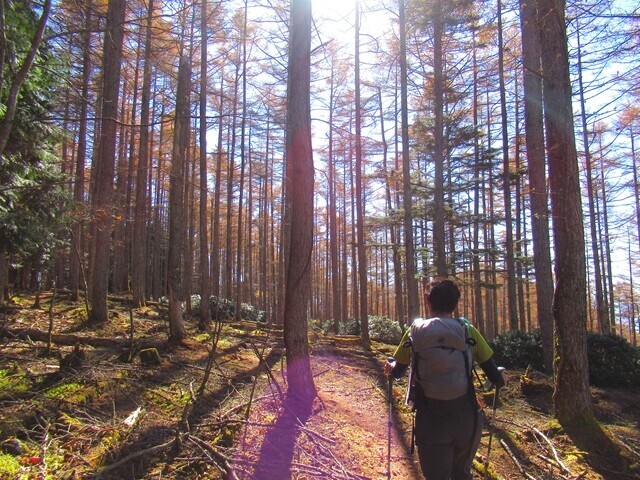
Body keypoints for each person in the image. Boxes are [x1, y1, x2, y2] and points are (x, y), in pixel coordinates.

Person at [386, 278, 504, 480]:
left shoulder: (415, 331)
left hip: (431, 420)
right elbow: (494, 376)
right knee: (461, 475)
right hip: (466, 418)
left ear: (428, 303)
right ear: (455, 305)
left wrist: (390, 367)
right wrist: (501, 377)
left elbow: (397, 372)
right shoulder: (467, 330)